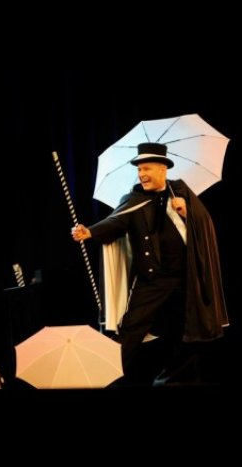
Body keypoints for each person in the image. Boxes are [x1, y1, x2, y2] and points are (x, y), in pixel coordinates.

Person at [72, 142, 228, 385]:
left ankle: (174, 378)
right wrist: (90, 232)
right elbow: (115, 222)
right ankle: (105, 377)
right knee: (131, 327)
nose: (141, 174)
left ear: (162, 169)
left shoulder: (181, 192)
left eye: (146, 168)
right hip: (153, 278)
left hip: (187, 275)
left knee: (193, 328)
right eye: (139, 169)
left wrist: (186, 213)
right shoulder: (133, 199)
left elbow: (205, 225)